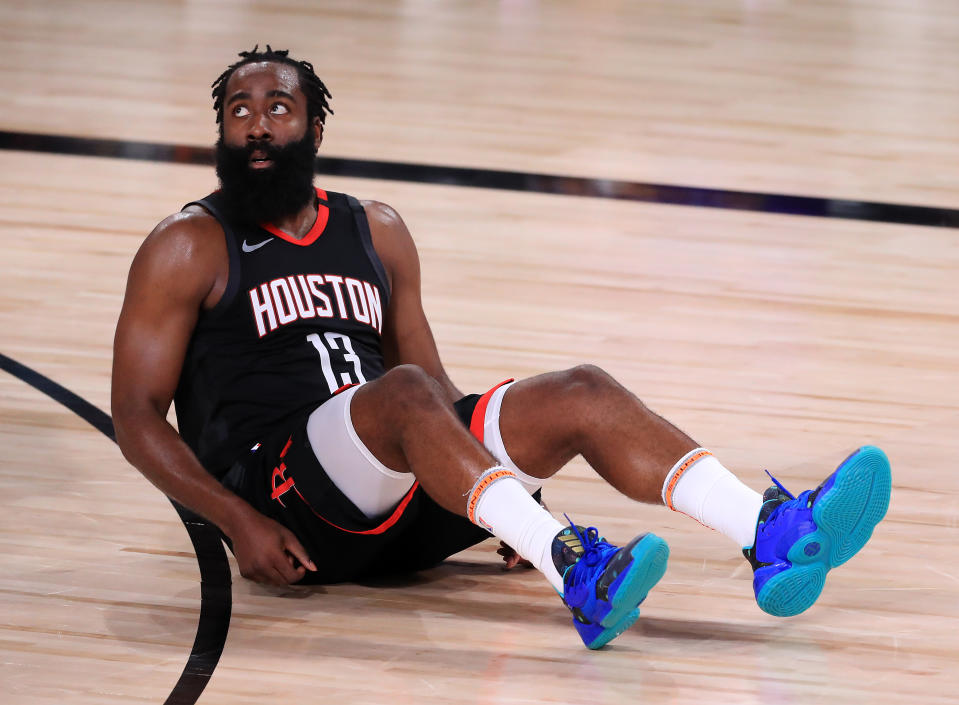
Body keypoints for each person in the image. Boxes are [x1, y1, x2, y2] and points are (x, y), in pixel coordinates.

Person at [111, 46, 892, 650]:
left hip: (402, 486)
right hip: (287, 506)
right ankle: (572, 567)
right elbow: (135, 415)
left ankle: (770, 534)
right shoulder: (189, 243)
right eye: (239, 110)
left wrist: (508, 494)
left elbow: (438, 395)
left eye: (277, 107)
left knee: (581, 389)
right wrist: (231, 520)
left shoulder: (372, 227)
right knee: (404, 390)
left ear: (312, 129)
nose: (255, 124)